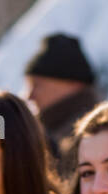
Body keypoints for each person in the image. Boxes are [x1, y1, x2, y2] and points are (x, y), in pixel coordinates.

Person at [24, 33, 99, 180]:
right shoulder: (43, 131)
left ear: (73, 84)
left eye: (38, 85)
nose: (30, 96)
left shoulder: (91, 136)